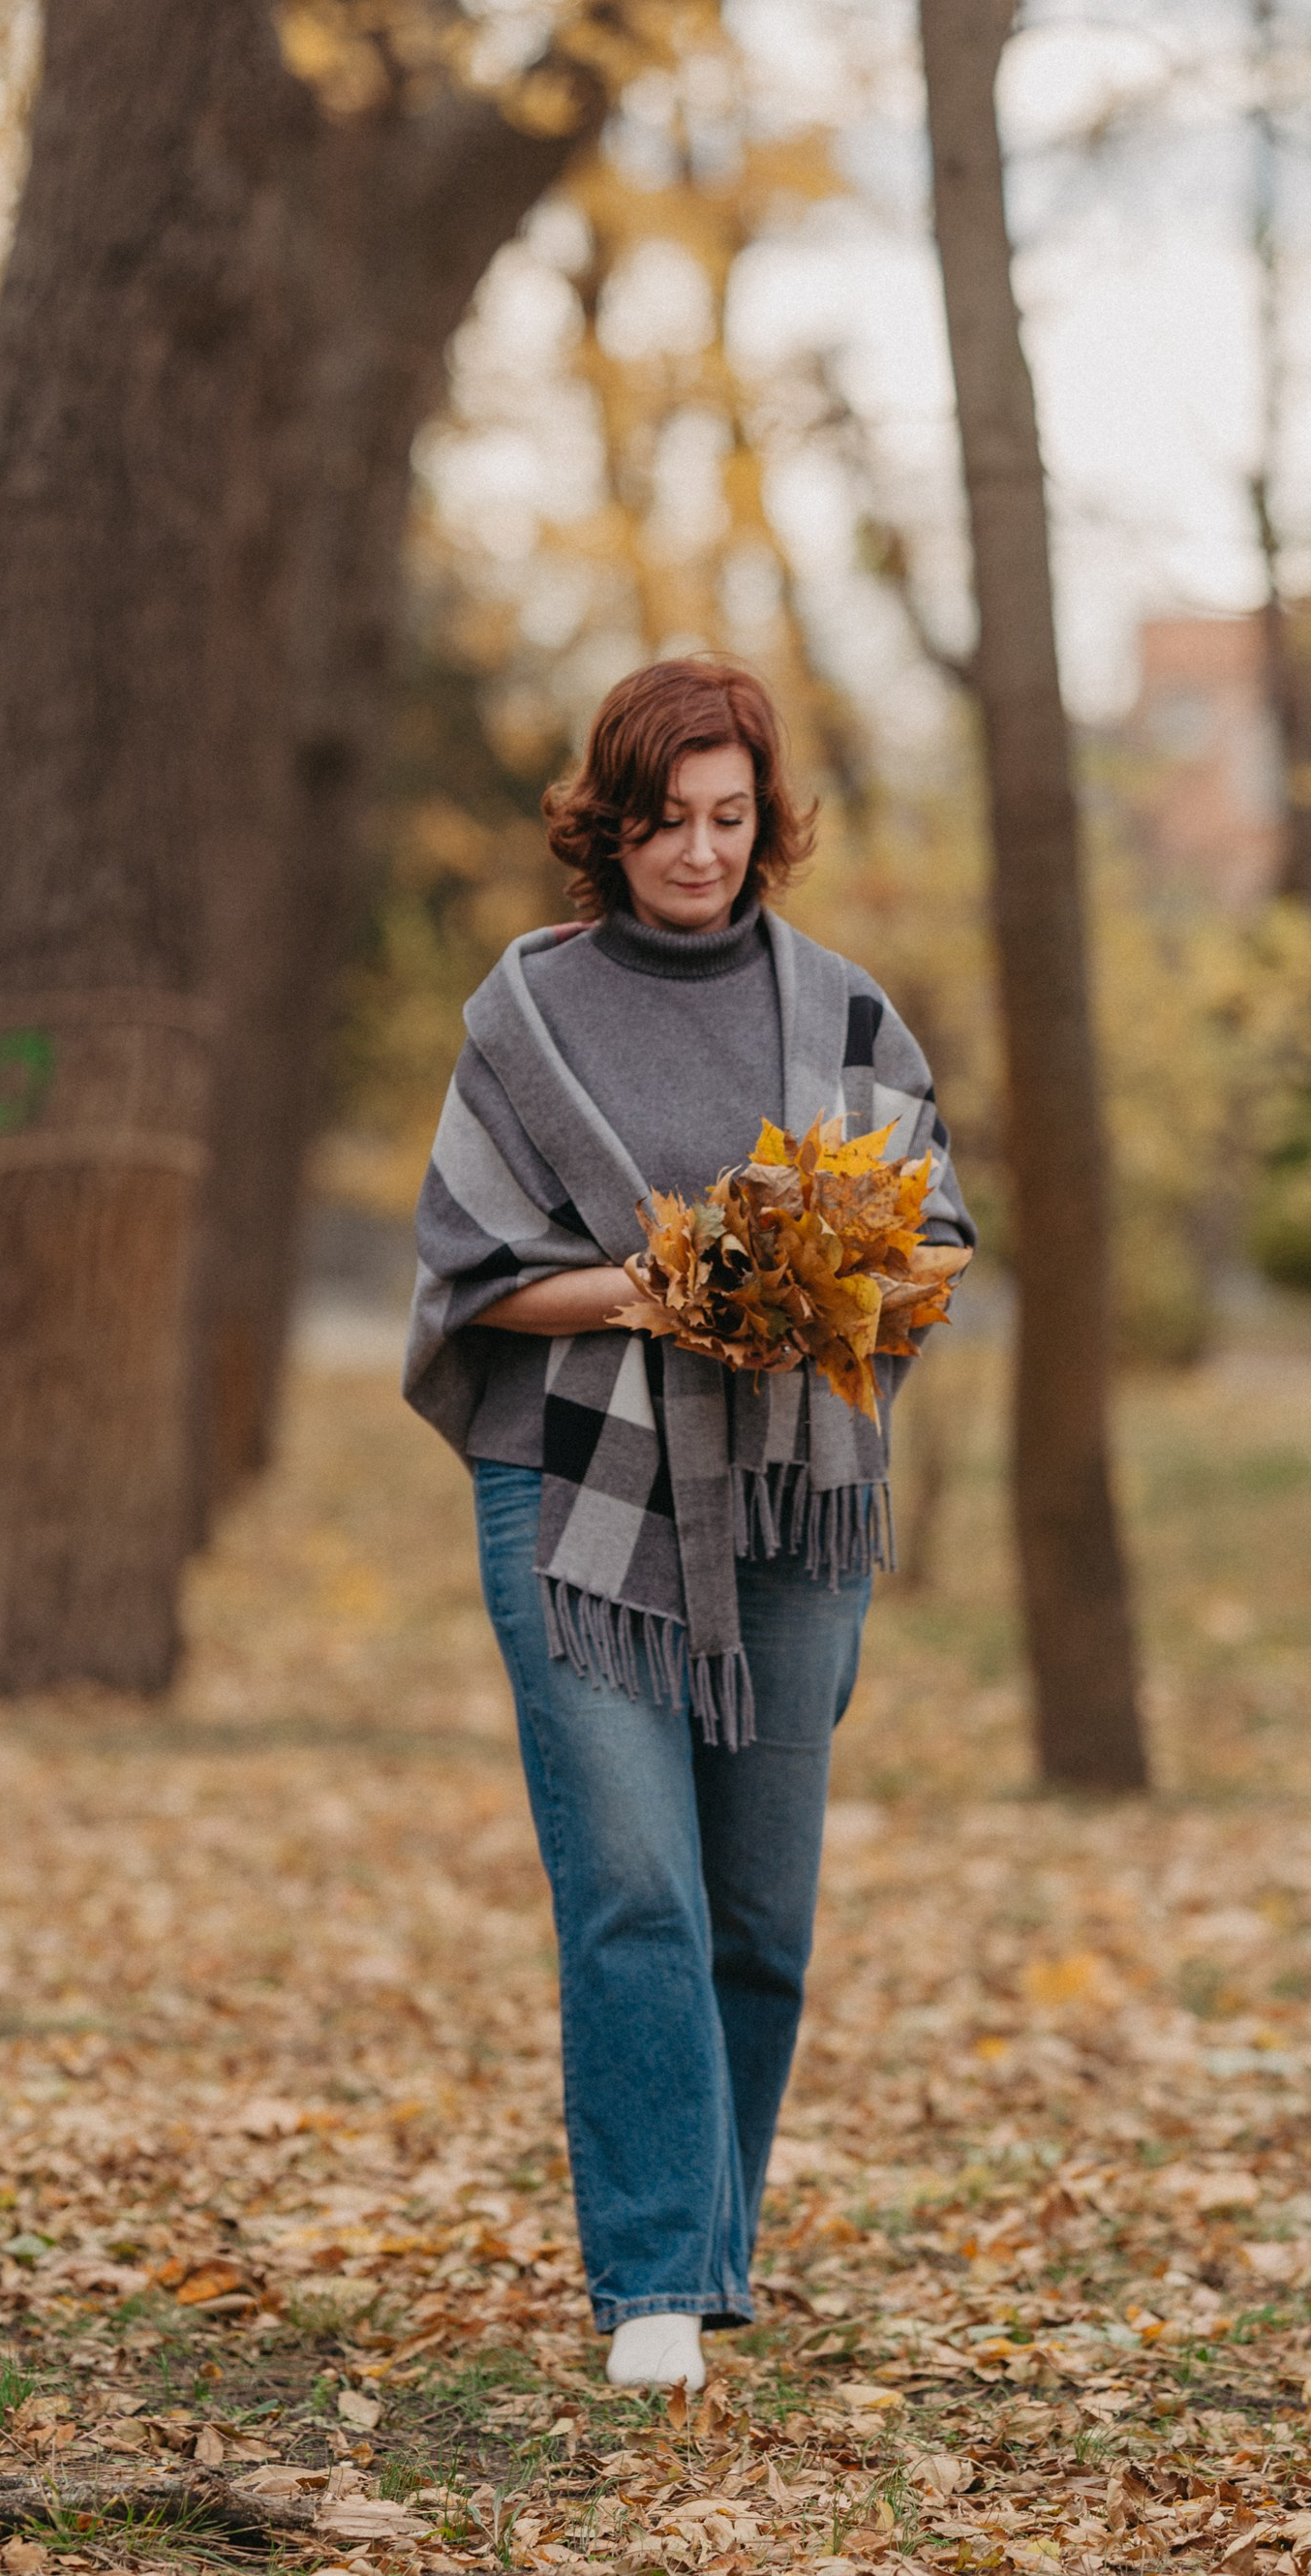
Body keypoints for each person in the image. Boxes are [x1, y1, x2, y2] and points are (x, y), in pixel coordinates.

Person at [404, 656, 972, 2389]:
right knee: (634, 1883)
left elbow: (934, 1237)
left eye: (731, 820)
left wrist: (845, 1283)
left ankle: (710, 2253)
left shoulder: (845, 1011)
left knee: (758, 1908)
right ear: (610, 820)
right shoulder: (528, 1018)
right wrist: (659, 1289)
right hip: (576, 1492)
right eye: (668, 820)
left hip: (793, 1498)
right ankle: (655, 2282)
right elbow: (471, 1277)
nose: (702, 853)